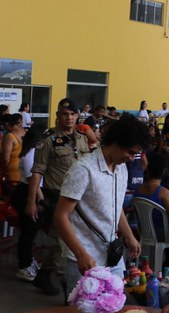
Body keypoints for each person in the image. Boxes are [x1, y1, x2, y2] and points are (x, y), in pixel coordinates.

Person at [54, 115, 147, 293]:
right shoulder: (83, 170)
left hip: (112, 254)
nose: (130, 158)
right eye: (129, 152)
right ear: (116, 143)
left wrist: (129, 236)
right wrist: (81, 254)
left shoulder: (122, 169)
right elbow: (60, 216)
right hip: (84, 257)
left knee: (115, 306)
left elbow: (115, 205)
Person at [26, 98, 91, 296]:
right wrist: (32, 201)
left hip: (80, 199)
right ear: (57, 116)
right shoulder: (47, 140)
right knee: (64, 244)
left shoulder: (82, 138)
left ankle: (44, 274)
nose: (69, 118)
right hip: (58, 199)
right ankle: (69, 293)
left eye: (72, 114)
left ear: (77, 115)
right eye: (65, 114)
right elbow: (37, 171)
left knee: (59, 242)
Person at [11, 123, 45, 282]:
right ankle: (24, 266)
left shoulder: (31, 151)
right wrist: (40, 200)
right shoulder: (31, 153)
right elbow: (33, 180)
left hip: (27, 192)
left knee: (29, 231)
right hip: (27, 193)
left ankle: (28, 262)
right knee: (28, 232)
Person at [133, 153, 169, 240]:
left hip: (144, 233)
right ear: (164, 172)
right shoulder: (164, 193)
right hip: (162, 235)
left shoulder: (137, 190)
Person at [1, 113, 25, 186]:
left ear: (6, 124)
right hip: (24, 170)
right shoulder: (24, 131)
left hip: (12, 173)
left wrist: (4, 172)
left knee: (11, 196)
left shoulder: (9, 136)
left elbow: (5, 159)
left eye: (3, 126)